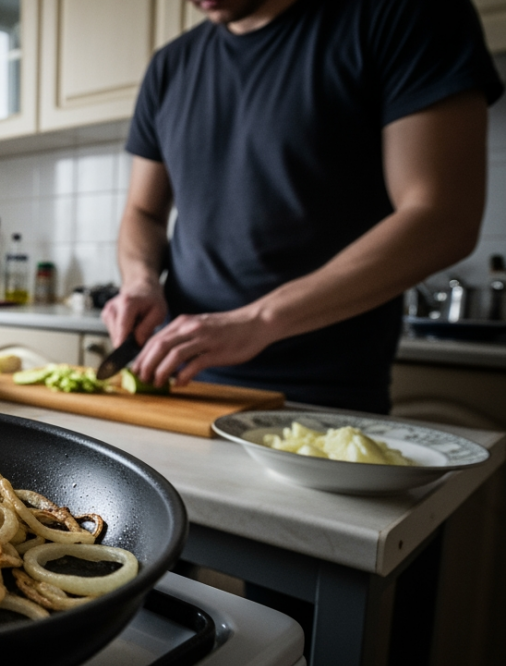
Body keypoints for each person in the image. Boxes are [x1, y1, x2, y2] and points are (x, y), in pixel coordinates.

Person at [101, 0, 503, 413]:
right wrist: (139, 280)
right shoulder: (169, 66)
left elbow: (442, 216)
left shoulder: (407, 14)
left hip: (324, 400)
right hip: (177, 385)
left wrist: (259, 321)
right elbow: (143, 213)